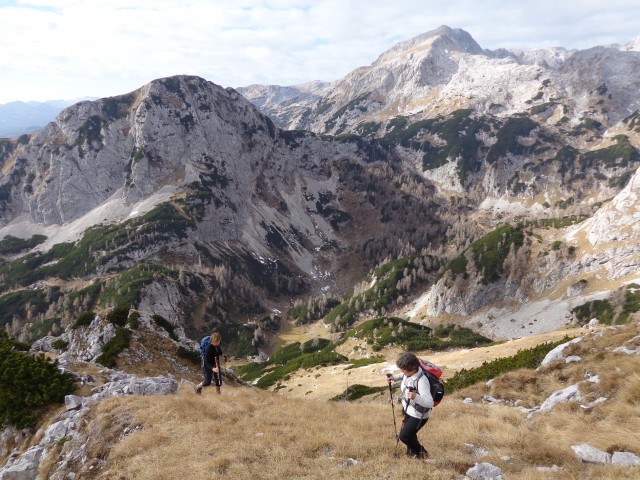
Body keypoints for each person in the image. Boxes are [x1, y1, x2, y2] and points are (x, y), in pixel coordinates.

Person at [386, 352, 433, 458]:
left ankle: (423, 455)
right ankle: (411, 454)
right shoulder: (409, 373)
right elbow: (403, 376)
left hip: (418, 415)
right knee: (410, 434)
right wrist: (394, 378)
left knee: (405, 436)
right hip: (408, 409)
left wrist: (416, 397)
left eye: (403, 369)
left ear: (411, 368)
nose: (401, 371)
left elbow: (429, 402)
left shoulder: (422, 381)